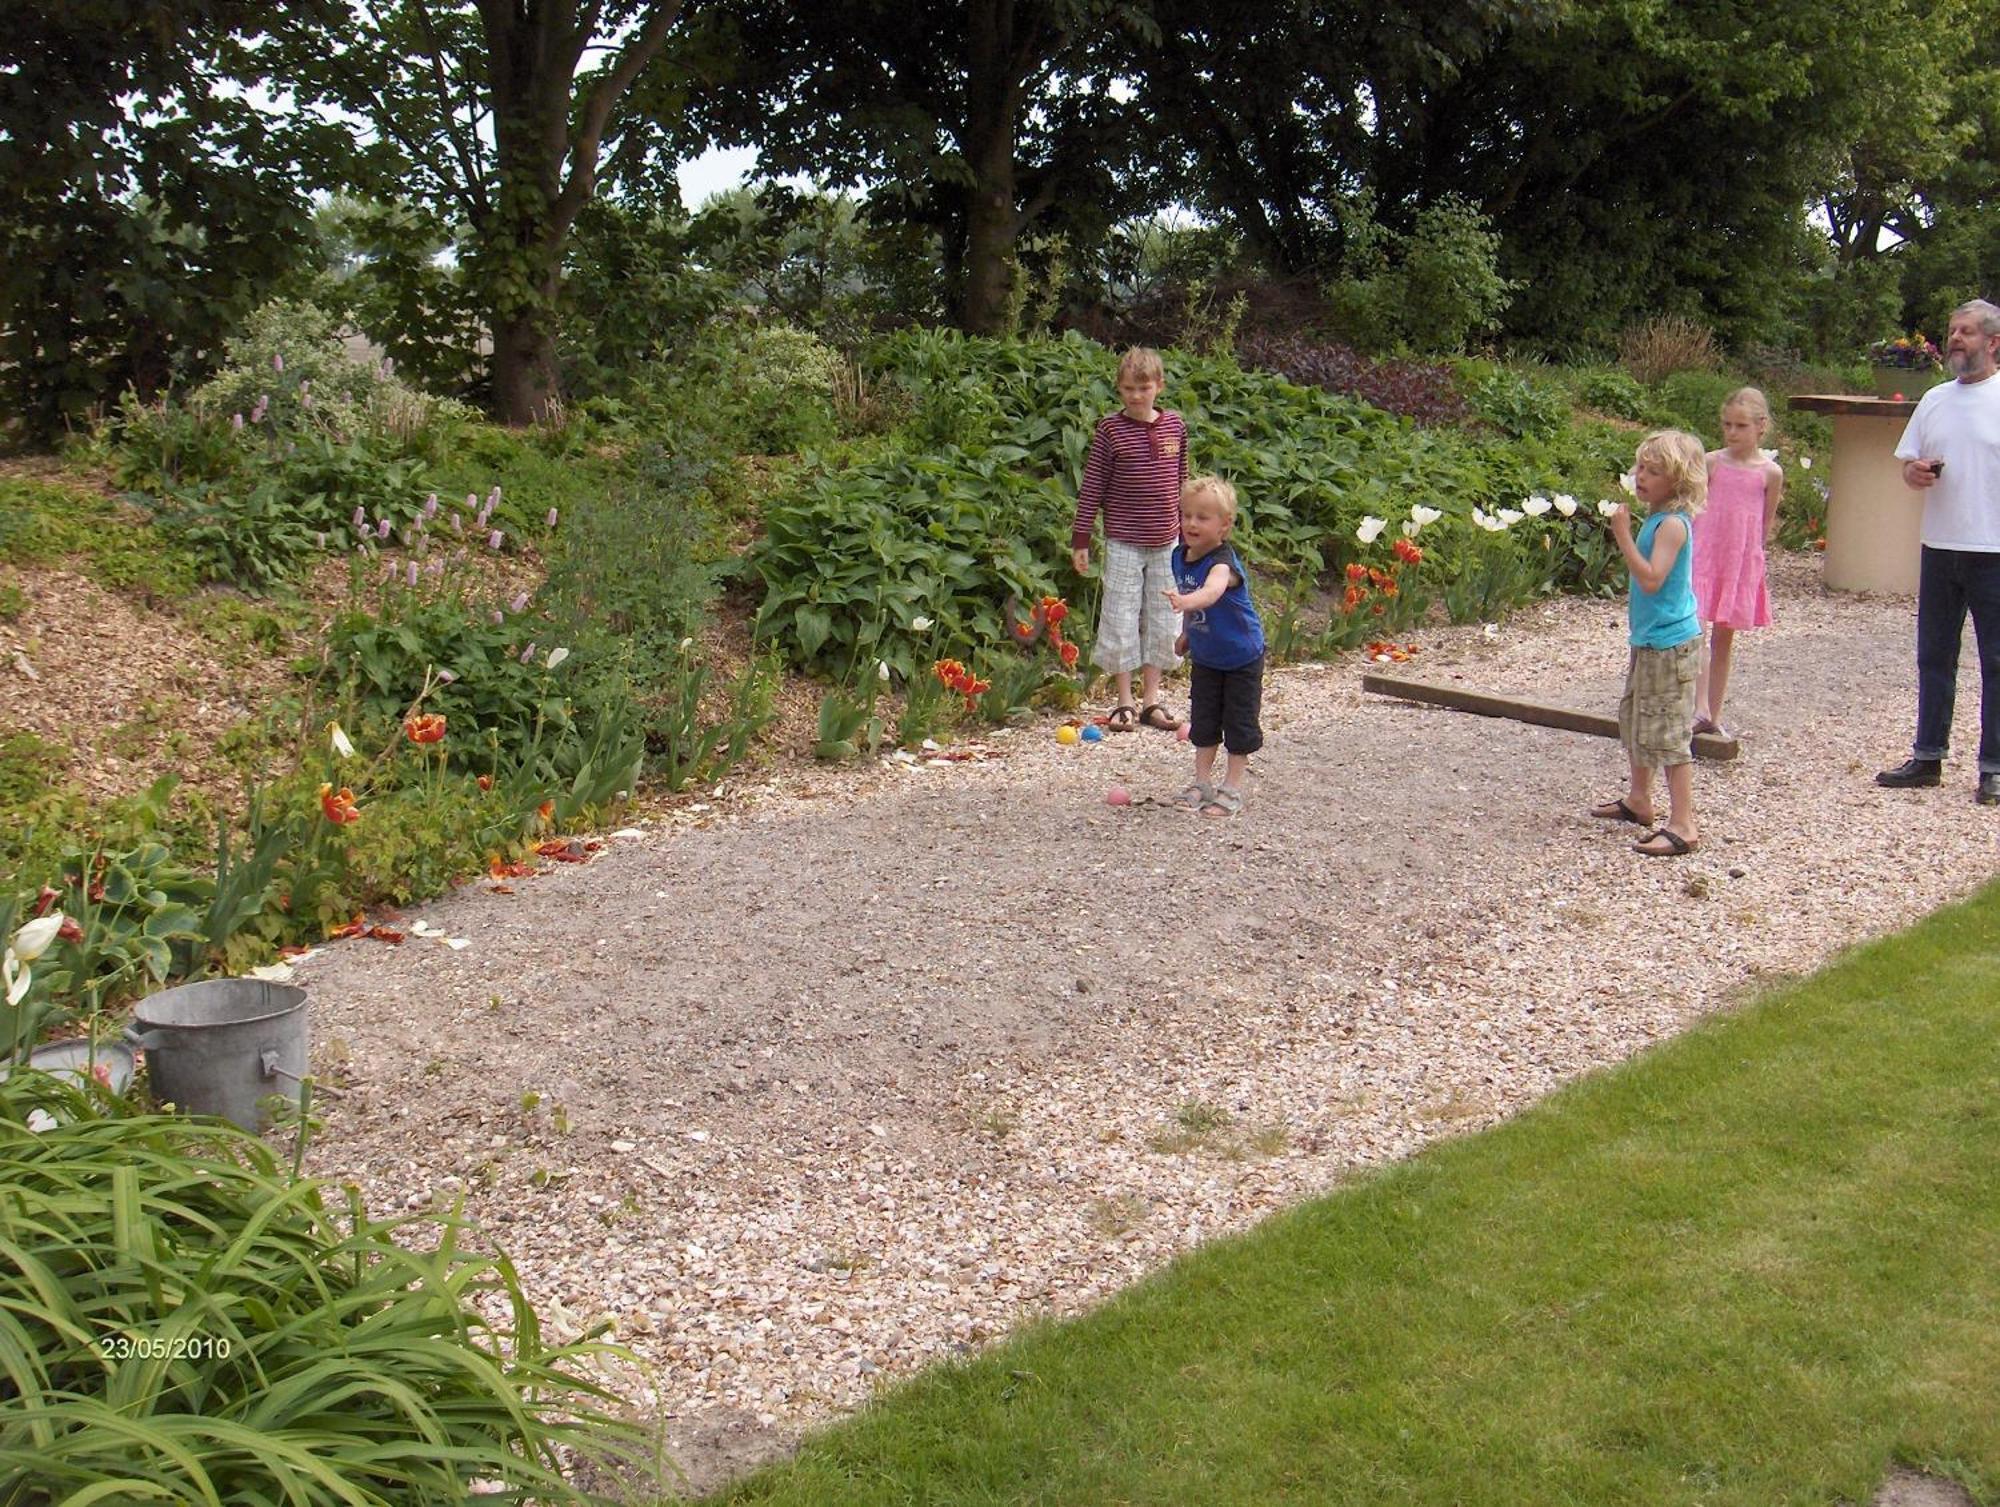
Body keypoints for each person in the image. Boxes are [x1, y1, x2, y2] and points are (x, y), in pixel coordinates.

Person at [1878, 298, 2000, 806]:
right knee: (1934, 657)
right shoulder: (1933, 400)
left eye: (1967, 332)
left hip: (1994, 549)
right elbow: (1907, 466)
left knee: (1996, 662)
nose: (1955, 339)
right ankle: (1928, 756)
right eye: (1952, 330)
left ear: (1993, 343)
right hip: (1940, 545)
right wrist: (1916, 473)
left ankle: (1992, 768)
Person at [1591, 430, 1707, 856]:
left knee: (1669, 731)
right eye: (1641, 466)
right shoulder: (1657, 517)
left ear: (1678, 481)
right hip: (1649, 639)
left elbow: (1652, 579)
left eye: (1654, 471)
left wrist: (1621, 535)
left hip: (1669, 644)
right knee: (1637, 716)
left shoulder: (1673, 525)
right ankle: (1639, 800)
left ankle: (1684, 823)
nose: (1642, 476)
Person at [1070, 347, 1187, 732]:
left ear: (1159, 387)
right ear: (1119, 390)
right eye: (1127, 389)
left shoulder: (1175, 428)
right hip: (1122, 539)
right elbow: (1092, 487)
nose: (1136, 396)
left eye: (1143, 387)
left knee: (1163, 618)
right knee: (1120, 616)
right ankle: (1124, 701)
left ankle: (1152, 699)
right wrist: (1081, 538)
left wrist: (1190, 537)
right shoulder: (1111, 430)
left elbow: (1182, 483)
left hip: (1168, 541)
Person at [1165, 476, 1265, 817]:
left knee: (1239, 723)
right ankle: (1201, 782)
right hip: (1207, 656)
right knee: (1204, 721)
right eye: (1187, 515)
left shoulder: (1223, 563)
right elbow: (1200, 606)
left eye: (1202, 517)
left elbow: (1211, 592)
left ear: (1224, 526)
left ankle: (1232, 787)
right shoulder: (1180, 555)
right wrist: (1188, 633)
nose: (1191, 523)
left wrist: (1185, 601)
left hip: (1241, 656)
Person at [1692, 387, 1782, 737]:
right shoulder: (1712, 462)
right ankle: (1698, 707)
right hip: (1705, 555)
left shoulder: (1770, 473)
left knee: (1723, 640)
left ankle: (1713, 712)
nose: (1732, 432)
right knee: (1696, 631)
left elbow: (1764, 523)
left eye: (1741, 426)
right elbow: (1697, 504)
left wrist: (1754, 559)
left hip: (1737, 561)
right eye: (1727, 424)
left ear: (1761, 427)